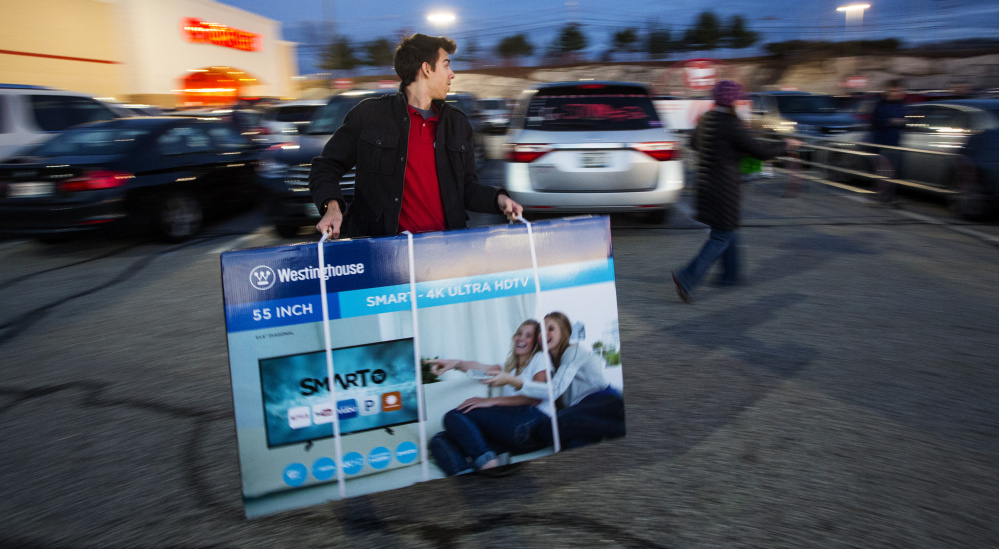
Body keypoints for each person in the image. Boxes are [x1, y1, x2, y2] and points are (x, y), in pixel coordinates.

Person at [309, 33, 522, 239]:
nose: (452, 74)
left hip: (448, 251)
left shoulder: (457, 123)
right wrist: (332, 207)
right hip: (383, 254)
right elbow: (325, 166)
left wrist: (499, 199)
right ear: (426, 68)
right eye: (446, 65)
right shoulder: (370, 116)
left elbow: (466, 188)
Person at [671, 80, 800, 303]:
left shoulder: (706, 119)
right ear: (732, 101)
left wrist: (723, 152)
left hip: (705, 188)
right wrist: (786, 145)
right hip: (724, 191)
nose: (741, 102)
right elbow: (760, 151)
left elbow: (693, 143)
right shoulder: (731, 124)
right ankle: (687, 278)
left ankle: (730, 275)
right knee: (722, 236)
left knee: (727, 231)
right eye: (739, 99)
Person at [425, 320, 553, 476]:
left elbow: (535, 398)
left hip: (535, 424)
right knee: (439, 439)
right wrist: (456, 364)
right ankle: (466, 477)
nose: (521, 338)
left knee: (453, 416)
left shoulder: (539, 358)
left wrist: (490, 401)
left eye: (528, 335)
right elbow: (480, 368)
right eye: (519, 333)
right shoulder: (508, 367)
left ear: (536, 342)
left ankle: (488, 463)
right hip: (513, 436)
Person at [494, 312, 626, 449]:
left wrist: (515, 381)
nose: (544, 334)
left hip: (605, 403)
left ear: (563, 332)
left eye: (550, 329)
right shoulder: (548, 360)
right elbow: (507, 366)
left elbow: (555, 390)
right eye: (541, 330)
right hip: (581, 412)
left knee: (551, 426)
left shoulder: (573, 352)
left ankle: (619, 429)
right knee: (572, 444)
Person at [868, 79, 908, 149]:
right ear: (888, 91)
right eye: (893, 91)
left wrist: (904, 122)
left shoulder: (900, 105)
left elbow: (904, 121)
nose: (895, 94)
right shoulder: (881, 105)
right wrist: (890, 121)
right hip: (881, 144)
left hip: (895, 143)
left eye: (898, 91)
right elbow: (874, 121)